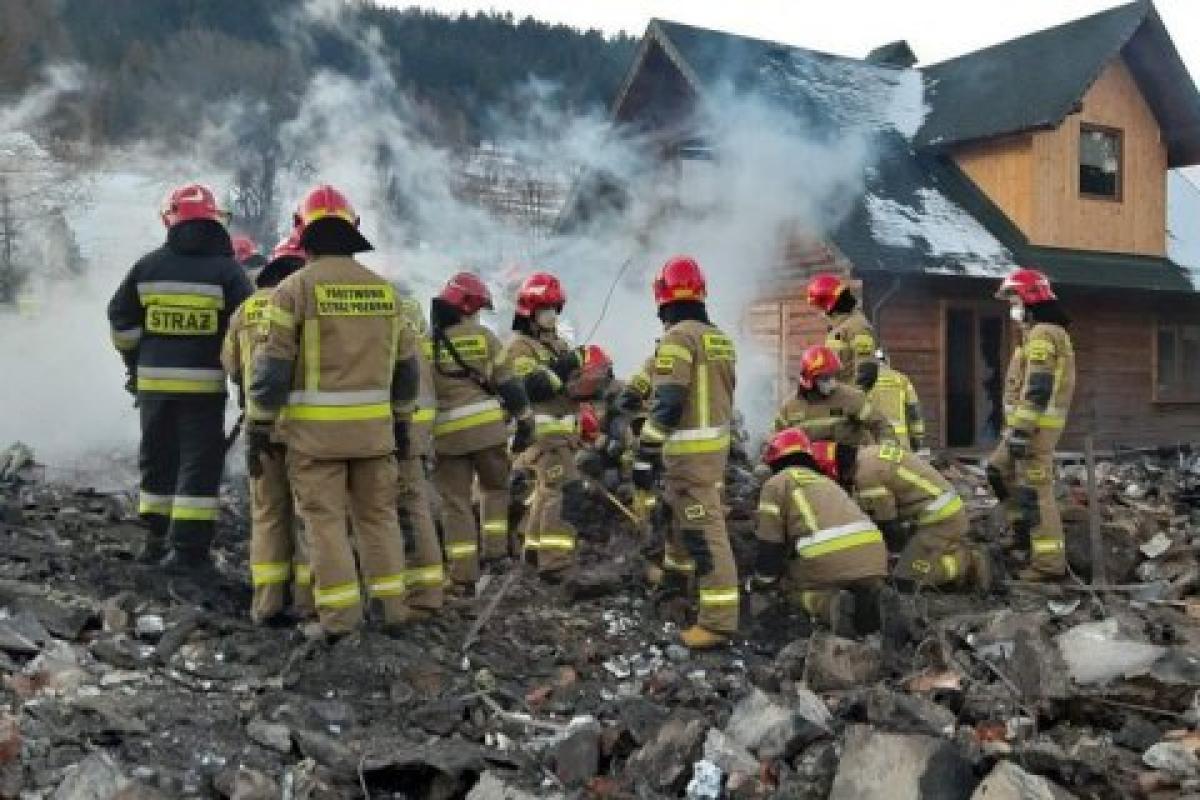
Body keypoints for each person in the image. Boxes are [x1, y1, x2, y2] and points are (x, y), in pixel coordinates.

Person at [249, 184, 419, 637]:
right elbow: (407, 369)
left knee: (324, 524)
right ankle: (392, 610)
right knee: (378, 518)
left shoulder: (293, 290)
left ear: (303, 232)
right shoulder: (386, 293)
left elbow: (272, 370)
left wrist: (259, 423)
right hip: (374, 435)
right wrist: (401, 421)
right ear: (353, 230)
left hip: (314, 439)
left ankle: (341, 620)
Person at [107, 183, 252, 571]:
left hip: (154, 386)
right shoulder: (228, 271)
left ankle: (155, 539)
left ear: (170, 219)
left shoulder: (147, 266)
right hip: (203, 390)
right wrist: (243, 379)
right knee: (199, 465)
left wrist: (136, 361)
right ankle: (188, 553)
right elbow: (252, 329)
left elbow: (121, 321)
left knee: (158, 458)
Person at [634, 256, 738, 649]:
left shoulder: (678, 338)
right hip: (711, 454)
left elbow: (669, 400)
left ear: (663, 300)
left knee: (705, 533)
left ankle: (718, 622)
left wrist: (646, 450)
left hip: (690, 456)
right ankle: (676, 580)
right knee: (680, 519)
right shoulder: (719, 338)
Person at [221, 232, 312, 622]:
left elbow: (231, 365)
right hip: (306, 429)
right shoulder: (308, 304)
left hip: (260, 429)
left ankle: (267, 602)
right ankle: (307, 602)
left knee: (268, 514)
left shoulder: (246, 309)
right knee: (310, 514)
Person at [428, 272, 533, 588]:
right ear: (468, 307)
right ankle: (496, 555)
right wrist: (525, 419)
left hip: (448, 437)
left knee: (455, 502)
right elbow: (509, 384)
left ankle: (462, 572)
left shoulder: (427, 344)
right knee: (494, 490)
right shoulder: (485, 338)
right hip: (488, 433)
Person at [750, 428, 887, 636]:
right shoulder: (826, 482)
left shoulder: (776, 484)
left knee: (789, 588)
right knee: (850, 580)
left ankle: (829, 606)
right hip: (874, 558)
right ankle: (873, 599)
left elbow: (770, 544)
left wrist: (762, 583)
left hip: (827, 559)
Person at [987, 268, 1075, 580]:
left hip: (1035, 431)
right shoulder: (1038, 332)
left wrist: (1022, 431)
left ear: (1029, 298)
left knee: (1038, 492)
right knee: (997, 469)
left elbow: (1038, 387)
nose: (1012, 306)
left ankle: (1048, 564)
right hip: (1024, 427)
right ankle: (1021, 531)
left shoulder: (1043, 334)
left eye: (1014, 299)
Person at [811, 441, 992, 592]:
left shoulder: (866, 477)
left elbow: (887, 526)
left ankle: (966, 562)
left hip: (939, 520)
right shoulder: (867, 456)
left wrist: (888, 560)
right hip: (934, 515)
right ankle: (944, 554)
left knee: (907, 578)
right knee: (906, 564)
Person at [501, 272, 590, 579]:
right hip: (540, 437)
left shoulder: (560, 346)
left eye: (555, 308)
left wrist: (592, 372)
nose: (552, 315)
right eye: (546, 309)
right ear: (530, 312)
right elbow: (530, 385)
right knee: (565, 491)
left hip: (563, 436)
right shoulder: (519, 348)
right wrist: (570, 365)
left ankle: (534, 553)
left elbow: (573, 384)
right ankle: (556, 563)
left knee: (546, 491)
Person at [394, 294, 446, 615]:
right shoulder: (423, 352)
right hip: (419, 441)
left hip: (403, 441)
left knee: (410, 511)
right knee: (419, 508)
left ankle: (422, 595)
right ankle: (425, 589)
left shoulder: (402, 352)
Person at [773, 345, 896, 446]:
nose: (831, 382)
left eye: (833, 375)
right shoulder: (789, 409)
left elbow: (880, 424)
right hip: (810, 469)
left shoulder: (851, 398)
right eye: (825, 378)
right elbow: (775, 440)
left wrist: (887, 446)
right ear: (809, 379)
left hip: (851, 466)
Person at [805, 273, 878, 389]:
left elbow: (867, 370)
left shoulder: (857, 326)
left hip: (848, 400)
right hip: (837, 396)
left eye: (820, 305)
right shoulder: (838, 327)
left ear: (829, 304)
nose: (820, 310)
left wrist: (853, 400)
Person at [867, 353, 926, 453]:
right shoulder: (902, 380)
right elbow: (914, 412)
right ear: (887, 361)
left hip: (872, 442)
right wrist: (917, 438)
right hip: (900, 442)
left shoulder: (862, 380)